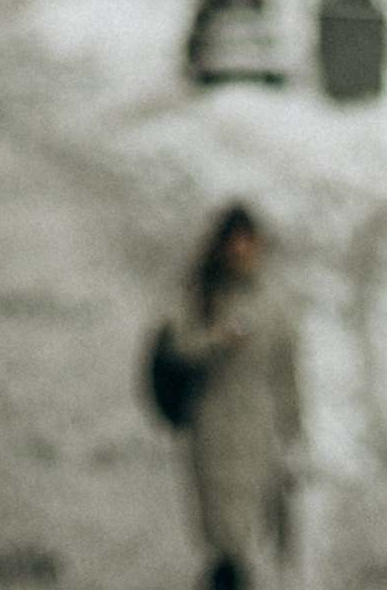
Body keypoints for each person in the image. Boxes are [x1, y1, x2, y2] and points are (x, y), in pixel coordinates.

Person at [152, 201, 304, 590]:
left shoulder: (274, 302)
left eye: (248, 243)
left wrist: (294, 435)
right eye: (233, 244)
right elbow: (175, 349)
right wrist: (217, 342)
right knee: (220, 527)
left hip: (258, 430)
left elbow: (287, 374)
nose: (241, 252)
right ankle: (227, 571)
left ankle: (231, 573)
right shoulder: (200, 293)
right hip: (211, 427)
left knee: (247, 529)